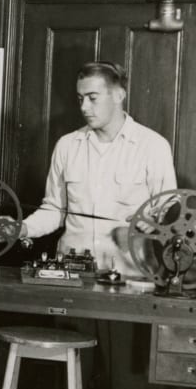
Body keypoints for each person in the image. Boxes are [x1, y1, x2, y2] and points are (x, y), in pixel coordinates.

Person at [19, 61, 176, 276]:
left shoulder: (153, 146)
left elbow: (168, 209)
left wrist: (154, 220)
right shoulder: (67, 145)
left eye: (93, 98)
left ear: (119, 95)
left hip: (130, 275)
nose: (84, 107)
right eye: (80, 99)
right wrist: (22, 229)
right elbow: (54, 210)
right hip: (71, 274)